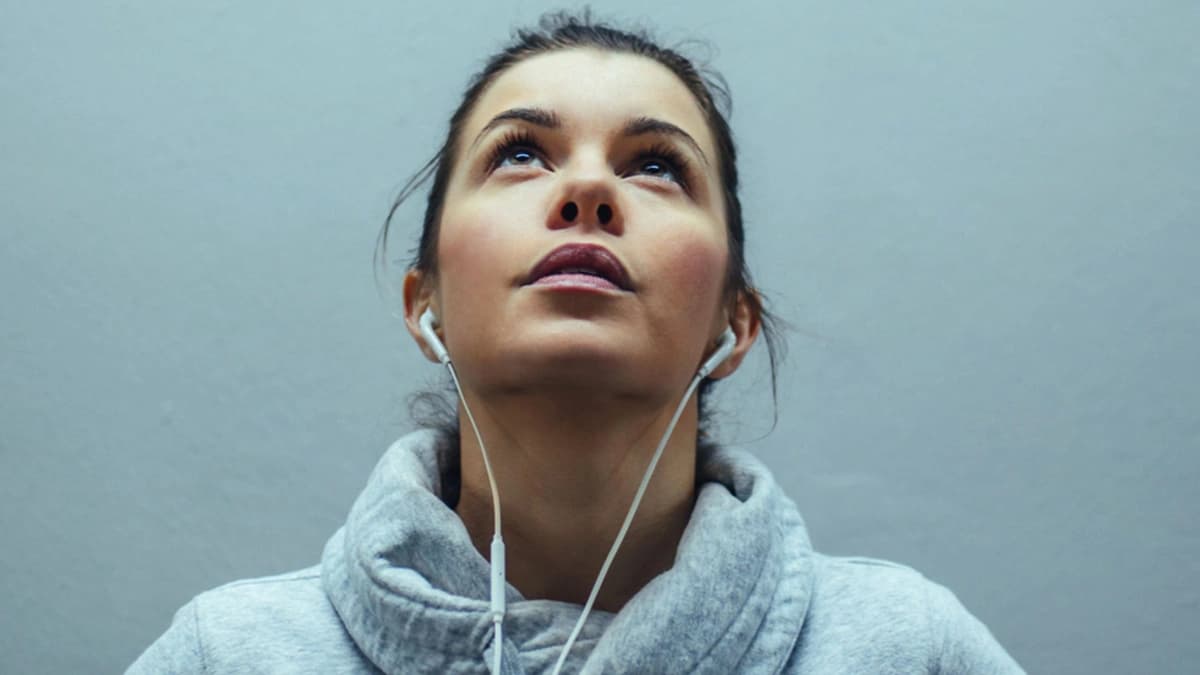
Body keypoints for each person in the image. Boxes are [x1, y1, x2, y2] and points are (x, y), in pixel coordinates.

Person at [128, 10, 1025, 674]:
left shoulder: (910, 648)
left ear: (734, 320)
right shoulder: (226, 653)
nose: (589, 188)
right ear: (424, 301)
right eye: (520, 153)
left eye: (656, 165)